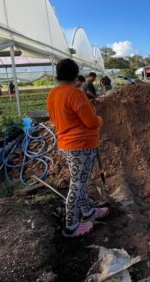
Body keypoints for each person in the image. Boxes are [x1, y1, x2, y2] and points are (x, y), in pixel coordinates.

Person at [46, 59, 109, 237]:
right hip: (80, 145)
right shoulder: (75, 94)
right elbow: (90, 122)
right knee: (78, 184)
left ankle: (88, 211)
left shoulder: (53, 94)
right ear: (75, 74)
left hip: (68, 144)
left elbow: (55, 120)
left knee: (80, 181)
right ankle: (71, 225)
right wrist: (100, 120)